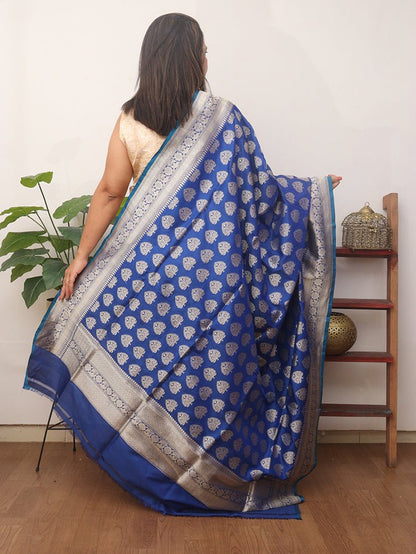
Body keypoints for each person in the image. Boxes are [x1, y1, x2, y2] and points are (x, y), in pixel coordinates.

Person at [26, 13, 341, 518]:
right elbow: (260, 197)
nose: (208, 58)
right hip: (214, 282)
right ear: (194, 58)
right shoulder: (223, 117)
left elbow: (109, 192)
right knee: (210, 379)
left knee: (154, 372)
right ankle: (211, 475)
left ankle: (153, 468)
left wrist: (81, 259)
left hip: (147, 280)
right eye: (204, 50)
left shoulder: (129, 119)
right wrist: (310, 193)